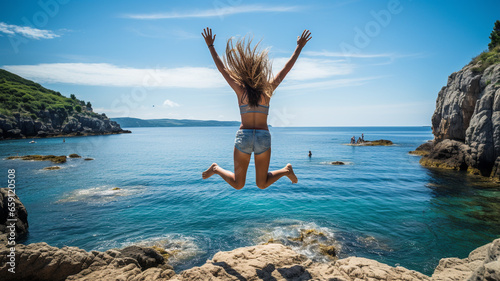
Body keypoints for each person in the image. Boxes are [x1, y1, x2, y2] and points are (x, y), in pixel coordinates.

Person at [201, 28, 311, 189]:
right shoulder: (267, 90)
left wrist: (210, 46)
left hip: (245, 136)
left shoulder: (241, 90)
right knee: (261, 184)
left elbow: (222, 69)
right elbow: (286, 69)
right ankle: (285, 170)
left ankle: (217, 169)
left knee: (242, 184)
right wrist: (299, 47)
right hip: (261, 136)